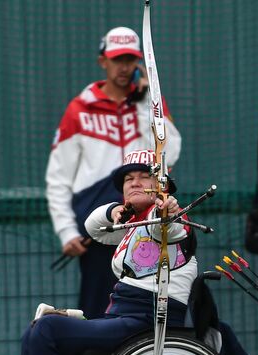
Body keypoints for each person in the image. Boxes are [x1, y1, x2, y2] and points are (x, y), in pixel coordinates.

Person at [45, 26, 181, 319]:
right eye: (117, 59)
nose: (124, 67)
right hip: (97, 224)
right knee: (96, 304)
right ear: (102, 61)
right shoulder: (79, 109)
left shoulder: (149, 100)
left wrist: (147, 101)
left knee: (146, 299)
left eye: (130, 60)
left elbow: (173, 149)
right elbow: (58, 177)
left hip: (145, 220)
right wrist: (67, 231)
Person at [23, 149, 195, 355]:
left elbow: (170, 227)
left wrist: (168, 211)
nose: (134, 182)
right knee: (34, 331)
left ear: (162, 186)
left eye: (144, 176)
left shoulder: (162, 220)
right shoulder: (134, 224)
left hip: (147, 321)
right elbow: (93, 227)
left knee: (46, 330)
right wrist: (113, 211)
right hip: (121, 318)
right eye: (128, 178)